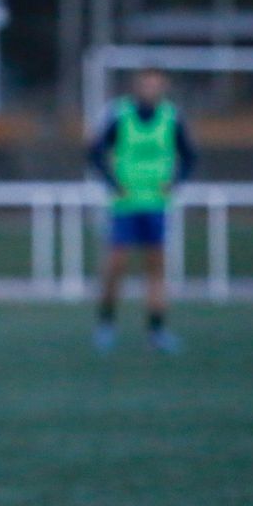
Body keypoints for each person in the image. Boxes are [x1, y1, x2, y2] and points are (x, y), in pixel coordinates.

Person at [86, 67, 197, 353]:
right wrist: (113, 183)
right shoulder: (120, 114)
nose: (150, 89)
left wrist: (176, 182)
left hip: (157, 204)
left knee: (156, 268)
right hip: (125, 204)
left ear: (163, 86)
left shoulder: (171, 117)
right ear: (137, 86)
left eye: (155, 84)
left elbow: (190, 156)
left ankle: (157, 330)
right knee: (115, 265)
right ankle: (106, 324)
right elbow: (95, 152)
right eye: (145, 84)